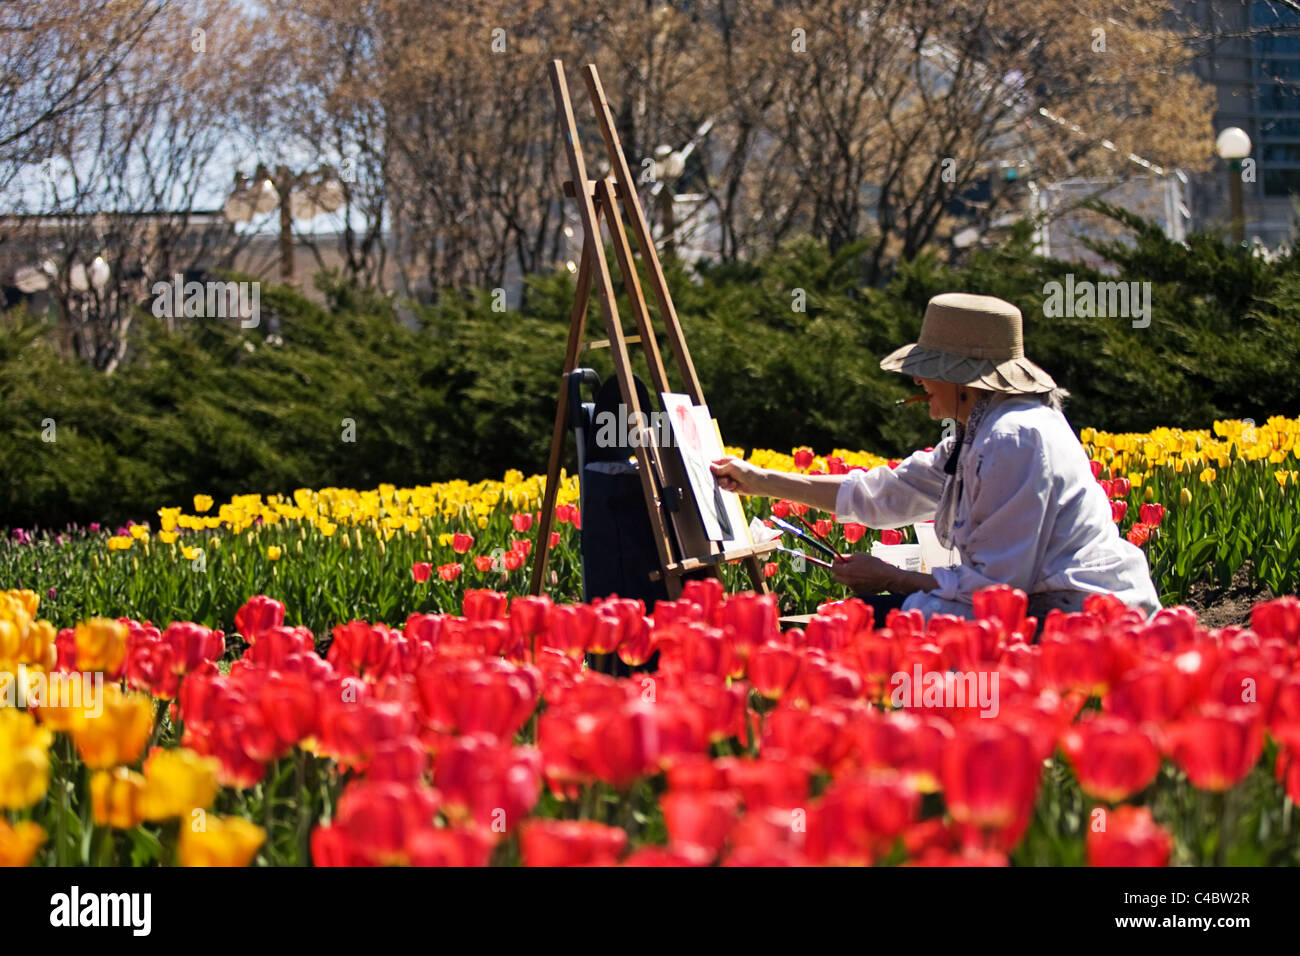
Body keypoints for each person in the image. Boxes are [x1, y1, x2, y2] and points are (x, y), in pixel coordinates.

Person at [710, 292, 1161, 625]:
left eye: (929, 371)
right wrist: (757, 479)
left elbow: (996, 592)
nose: (919, 381)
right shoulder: (981, 432)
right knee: (846, 624)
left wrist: (892, 578)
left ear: (966, 379)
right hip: (1035, 610)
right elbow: (881, 495)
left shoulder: (1013, 439)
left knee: (847, 629)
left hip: (1081, 618)